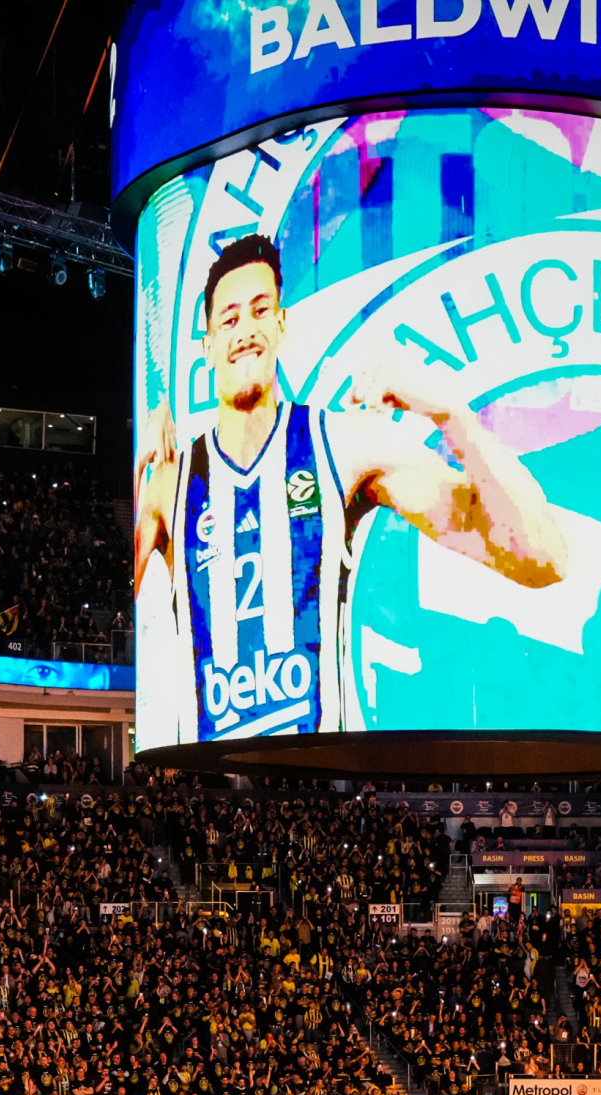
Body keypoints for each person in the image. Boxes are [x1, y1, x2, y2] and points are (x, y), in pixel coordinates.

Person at [133, 231, 568, 746]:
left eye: (259, 310)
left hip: (320, 772)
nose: (245, 330)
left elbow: (542, 558)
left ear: (281, 323)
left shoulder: (343, 443)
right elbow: (116, 611)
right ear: (207, 346)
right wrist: (135, 466)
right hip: (211, 776)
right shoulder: (170, 482)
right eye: (229, 319)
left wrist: (450, 412)